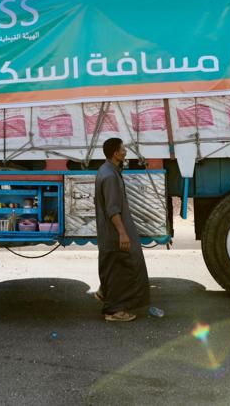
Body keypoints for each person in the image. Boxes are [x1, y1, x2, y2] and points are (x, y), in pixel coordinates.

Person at [94, 137, 150, 322]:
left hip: (109, 232)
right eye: (123, 149)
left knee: (113, 266)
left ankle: (105, 293)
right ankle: (114, 311)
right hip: (114, 232)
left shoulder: (107, 170)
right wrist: (123, 233)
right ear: (116, 153)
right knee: (124, 267)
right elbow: (112, 209)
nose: (125, 151)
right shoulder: (109, 176)